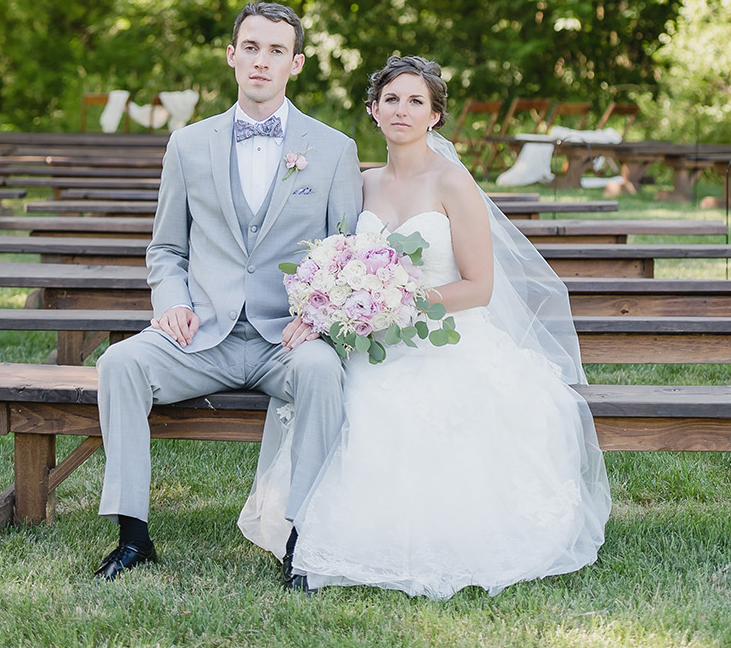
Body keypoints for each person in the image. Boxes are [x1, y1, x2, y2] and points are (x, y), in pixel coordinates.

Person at [238, 55, 611, 599]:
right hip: (369, 343)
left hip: (443, 339)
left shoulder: (453, 183)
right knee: (341, 398)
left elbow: (478, 288)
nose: (402, 110)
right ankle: (308, 535)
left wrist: (397, 305)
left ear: (435, 115)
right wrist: (331, 304)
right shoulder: (360, 183)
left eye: (417, 101)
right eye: (391, 99)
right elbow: (334, 262)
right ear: (372, 110)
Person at [94, 1, 363, 585]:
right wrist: (172, 302)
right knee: (119, 362)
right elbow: (166, 249)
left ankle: (304, 540)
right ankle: (133, 536)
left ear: (295, 64)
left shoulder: (334, 148)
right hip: (204, 335)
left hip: (286, 339)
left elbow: (347, 254)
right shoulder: (188, 144)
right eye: (251, 47)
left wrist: (320, 319)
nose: (261, 61)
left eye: (276, 51)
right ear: (231, 55)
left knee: (322, 373)